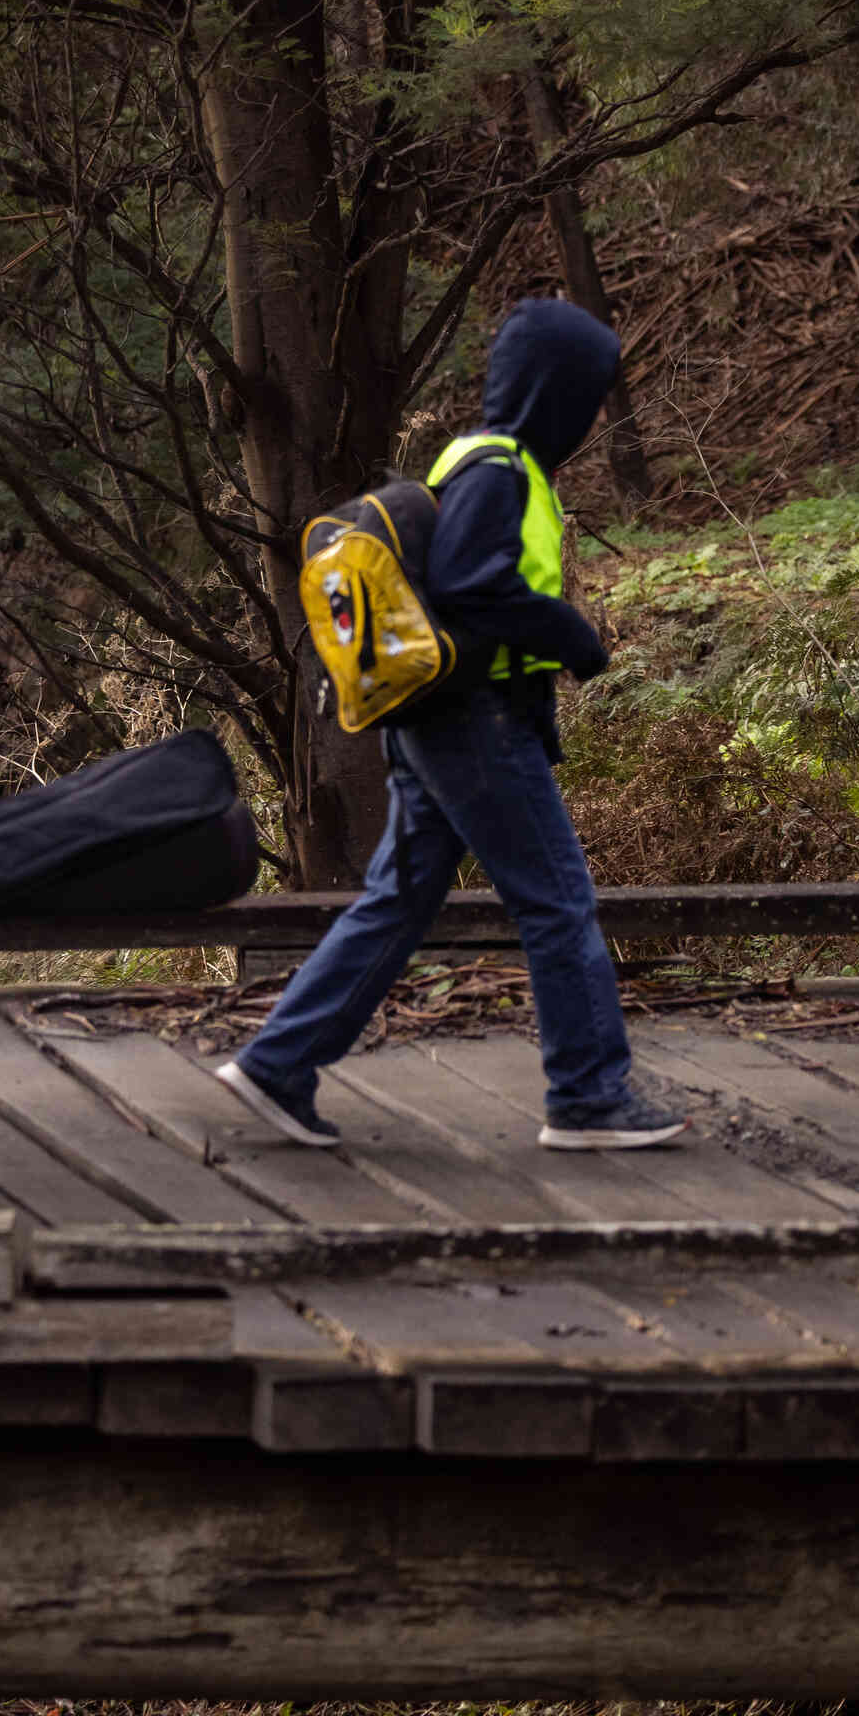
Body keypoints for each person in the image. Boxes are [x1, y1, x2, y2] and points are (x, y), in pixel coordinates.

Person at [219, 295, 686, 1152]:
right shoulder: (500, 470)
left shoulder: (479, 460)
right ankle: (587, 1095)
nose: (590, 414)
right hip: (475, 722)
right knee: (557, 900)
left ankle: (277, 1062)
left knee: (400, 899)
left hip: (441, 718)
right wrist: (571, 636)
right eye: (585, 393)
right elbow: (476, 585)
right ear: (555, 394)